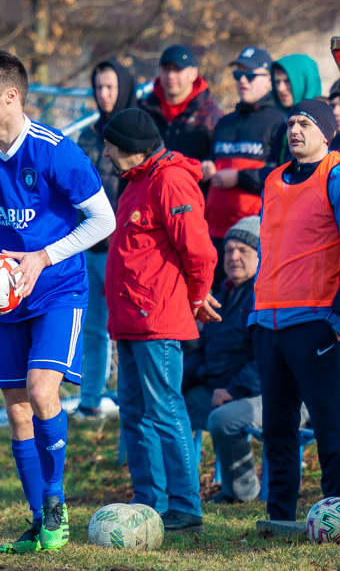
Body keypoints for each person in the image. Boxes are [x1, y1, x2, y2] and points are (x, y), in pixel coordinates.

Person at [0, 51, 115, 554]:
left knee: (43, 393)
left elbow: (102, 219)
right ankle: (40, 520)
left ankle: (58, 505)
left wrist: (42, 257)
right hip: (5, 297)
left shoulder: (57, 151)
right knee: (17, 412)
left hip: (59, 288)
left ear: (10, 96)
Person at [103, 108, 219, 533]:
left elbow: (200, 251)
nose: (107, 152)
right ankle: (149, 502)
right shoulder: (134, 183)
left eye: (111, 144)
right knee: (133, 412)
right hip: (129, 320)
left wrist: (197, 296)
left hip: (158, 321)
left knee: (165, 409)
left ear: (131, 149)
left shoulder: (170, 181)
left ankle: (186, 506)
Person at [251, 99, 340, 521]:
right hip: (268, 323)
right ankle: (280, 517)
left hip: (316, 323)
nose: (295, 130)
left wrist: (338, 320)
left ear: (327, 132)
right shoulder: (274, 178)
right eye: (291, 123)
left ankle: (337, 513)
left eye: (305, 124)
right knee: (278, 430)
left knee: (329, 425)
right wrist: (255, 318)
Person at [74, 58, 136, 420]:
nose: (104, 94)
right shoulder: (87, 135)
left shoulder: (137, 134)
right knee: (94, 327)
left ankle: (130, 397)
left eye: (111, 86)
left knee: (126, 328)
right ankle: (91, 399)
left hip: (125, 250)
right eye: (98, 87)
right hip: (92, 248)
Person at [183, 215, 262, 503]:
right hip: (216, 388)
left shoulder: (262, 295)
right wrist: (177, 384)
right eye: (228, 250)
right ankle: (181, 492)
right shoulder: (222, 294)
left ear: (260, 256)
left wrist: (232, 390)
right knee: (168, 409)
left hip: (256, 393)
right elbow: (201, 350)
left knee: (223, 419)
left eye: (243, 250)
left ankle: (241, 493)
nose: (234, 256)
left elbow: (265, 361)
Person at [202, 47, 285, 290]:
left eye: (250, 75)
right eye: (238, 76)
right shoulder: (224, 122)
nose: (242, 81)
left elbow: (281, 173)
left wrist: (239, 177)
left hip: (254, 234)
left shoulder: (279, 122)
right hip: (216, 232)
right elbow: (212, 158)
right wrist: (206, 167)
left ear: (268, 80)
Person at [139, 44, 222, 166]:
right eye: (166, 69)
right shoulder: (144, 113)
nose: (171, 76)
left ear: (193, 73)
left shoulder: (211, 117)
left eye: (177, 69)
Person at [270, 54, 322, 164]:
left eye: (287, 81)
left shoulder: (323, 122)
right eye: (277, 82)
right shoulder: (283, 125)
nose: (280, 88)